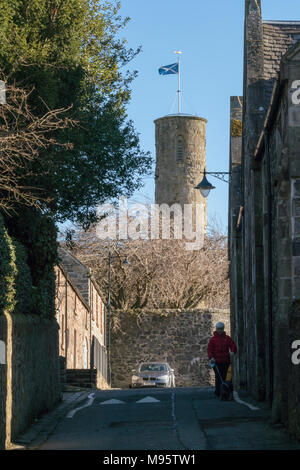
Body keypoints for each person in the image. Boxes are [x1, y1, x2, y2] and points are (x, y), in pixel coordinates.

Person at [207, 322, 237, 397]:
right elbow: (209, 350)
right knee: (218, 376)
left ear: (223, 329)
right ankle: (218, 391)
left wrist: (233, 352)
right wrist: (211, 357)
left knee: (225, 376)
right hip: (216, 361)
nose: (219, 330)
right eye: (218, 329)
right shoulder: (212, 340)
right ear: (216, 329)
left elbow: (233, 346)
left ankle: (225, 390)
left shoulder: (227, 338)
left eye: (221, 329)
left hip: (226, 361)